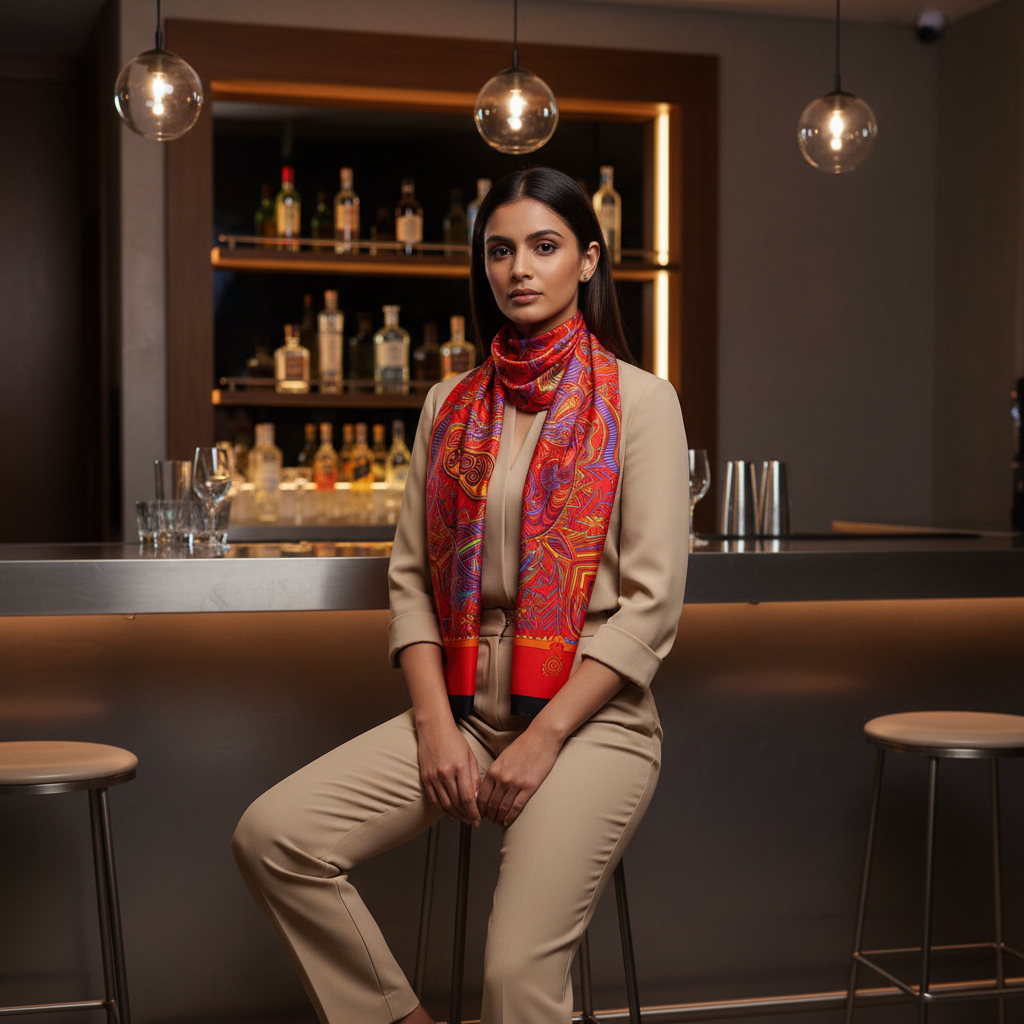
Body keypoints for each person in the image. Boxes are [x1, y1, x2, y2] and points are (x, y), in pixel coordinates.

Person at [231, 166, 689, 1024]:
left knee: (514, 980)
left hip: (592, 727)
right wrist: (439, 729)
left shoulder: (641, 401)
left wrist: (544, 739)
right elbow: (409, 580)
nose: (521, 268)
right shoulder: (450, 403)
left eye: (544, 247)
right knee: (273, 837)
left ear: (587, 261)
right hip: (468, 715)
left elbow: (652, 608)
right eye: (501, 250)